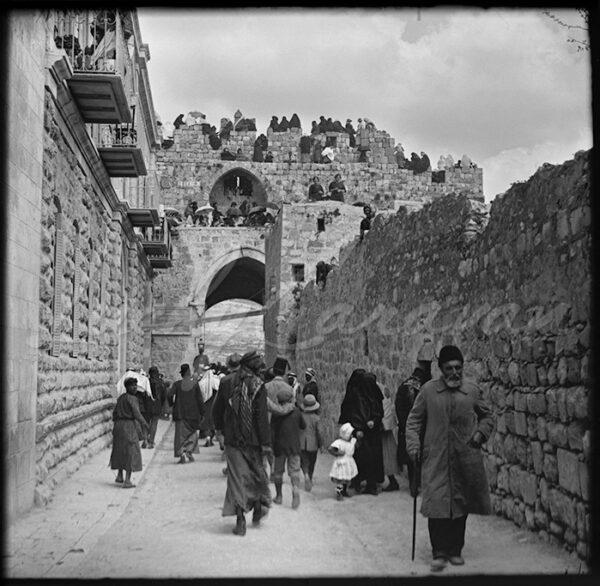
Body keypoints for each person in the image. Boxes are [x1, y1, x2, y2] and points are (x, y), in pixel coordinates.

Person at [405, 345, 493, 572]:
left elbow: (487, 417)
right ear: (441, 370)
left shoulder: (472, 391)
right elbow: (413, 421)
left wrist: (479, 434)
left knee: (460, 504)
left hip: (465, 456)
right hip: (435, 457)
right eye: (449, 368)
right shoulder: (428, 391)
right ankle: (439, 552)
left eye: (458, 368)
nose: (454, 372)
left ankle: (455, 550)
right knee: (436, 503)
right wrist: (413, 445)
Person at [212, 349, 273, 536]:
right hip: (253, 441)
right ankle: (257, 506)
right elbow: (261, 418)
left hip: (233, 439)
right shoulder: (259, 385)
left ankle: (240, 519)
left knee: (237, 479)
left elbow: (217, 410)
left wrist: (220, 431)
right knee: (256, 475)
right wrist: (266, 444)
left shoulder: (226, 382)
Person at [338, 369, 384, 495]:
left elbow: (379, 411)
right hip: (361, 433)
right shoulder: (356, 395)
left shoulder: (373, 394)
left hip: (372, 433)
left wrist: (374, 420)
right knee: (359, 458)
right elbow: (353, 414)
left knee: (371, 458)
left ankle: (370, 484)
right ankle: (356, 482)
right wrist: (357, 428)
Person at [395, 360, 432, 485]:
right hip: (419, 426)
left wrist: (403, 423)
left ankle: (413, 483)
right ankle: (416, 483)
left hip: (405, 425)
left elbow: (398, 406)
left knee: (412, 455)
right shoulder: (422, 387)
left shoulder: (404, 385)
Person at [109, 377, 148, 488]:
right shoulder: (132, 399)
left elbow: (114, 414)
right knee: (131, 451)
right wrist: (145, 423)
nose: (135, 387)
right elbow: (137, 414)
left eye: (136, 385)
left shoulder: (121, 398)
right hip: (128, 426)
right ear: (127, 387)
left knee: (120, 450)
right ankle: (127, 480)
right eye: (132, 385)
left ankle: (119, 475)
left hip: (118, 426)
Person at [271, 388, 306, 509]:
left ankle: (279, 496)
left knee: (278, 472)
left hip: (280, 446)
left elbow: (272, 431)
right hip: (294, 446)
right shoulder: (297, 412)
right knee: (294, 470)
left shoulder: (276, 413)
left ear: (279, 401)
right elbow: (303, 426)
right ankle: (295, 489)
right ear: (291, 399)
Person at [264, 357, 295, 480]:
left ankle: (271, 467)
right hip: (283, 422)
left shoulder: (266, 387)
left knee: (269, 446)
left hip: (268, 420)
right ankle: (277, 470)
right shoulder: (289, 389)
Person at [168, 363, 205, 464]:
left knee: (180, 435)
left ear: (181, 374)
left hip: (180, 413)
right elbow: (199, 399)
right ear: (189, 373)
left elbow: (169, 395)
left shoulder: (177, 384)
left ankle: (182, 454)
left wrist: (172, 404)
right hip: (193, 414)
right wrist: (202, 412)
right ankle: (189, 451)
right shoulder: (195, 384)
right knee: (192, 433)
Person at [299, 394, 323, 491]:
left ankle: (305, 475)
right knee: (312, 462)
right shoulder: (317, 418)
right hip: (313, 443)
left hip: (301, 442)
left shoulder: (300, 416)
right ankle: (310, 477)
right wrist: (321, 445)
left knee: (303, 461)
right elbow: (319, 433)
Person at [328, 422, 358, 500]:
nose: (351, 436)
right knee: (340, 480)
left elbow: (356, 444)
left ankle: (344, 491)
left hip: (349, 462)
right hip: (341, 463)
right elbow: (330, 449)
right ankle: (339, 493)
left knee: (346, 478)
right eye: (350, 434)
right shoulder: (339, 442)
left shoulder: (352, 441)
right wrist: (337, 453)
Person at [379, 383, 400, 491]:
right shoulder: (384, 390)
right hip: (386, 427)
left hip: (383, 429)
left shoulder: (379, 392)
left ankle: (392, 481)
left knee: (385, 455)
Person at [142, 366, 166, 449]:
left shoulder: (146, 381)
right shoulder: (161, 382)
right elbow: (164, 395)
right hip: (157, 405)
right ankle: (151, 441)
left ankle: (145, 439)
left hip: (147, 405)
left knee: (145, 422)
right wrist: (161, 405)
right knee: (154, 423)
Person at [198, 364, 221, 446]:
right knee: (212, 422)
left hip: (205, 404)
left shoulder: (202, 382)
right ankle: (210, 438)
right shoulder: (216, 381)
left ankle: (207, 437)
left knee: (206, 421)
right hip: (214, 404)